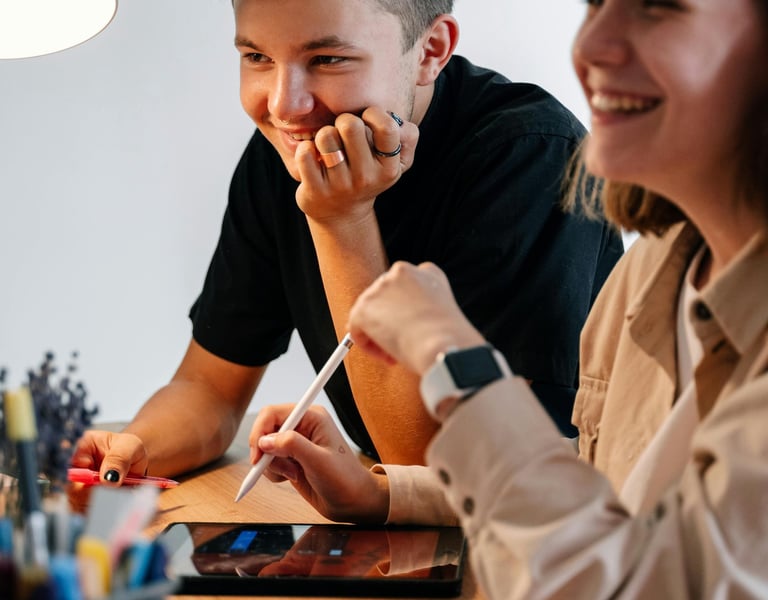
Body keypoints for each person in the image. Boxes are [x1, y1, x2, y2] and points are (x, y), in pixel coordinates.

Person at [246, 0, 768, 597]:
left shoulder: (525, 147)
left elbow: (626, 582)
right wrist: (386, 494)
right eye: (596, 5)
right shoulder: (655, 270)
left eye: (657, 9)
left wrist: (456, 361)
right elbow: (599, 493)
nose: (590, 47)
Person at [69, 0, 622, 493]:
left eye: (327, 60)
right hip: (397, 521)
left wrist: (342, 222)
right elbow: (210, 389)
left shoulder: (534, 156)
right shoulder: (286, 153)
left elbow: (434, 470)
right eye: (257, 57)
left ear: (431, 50)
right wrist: (136, 448)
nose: (285, 105)